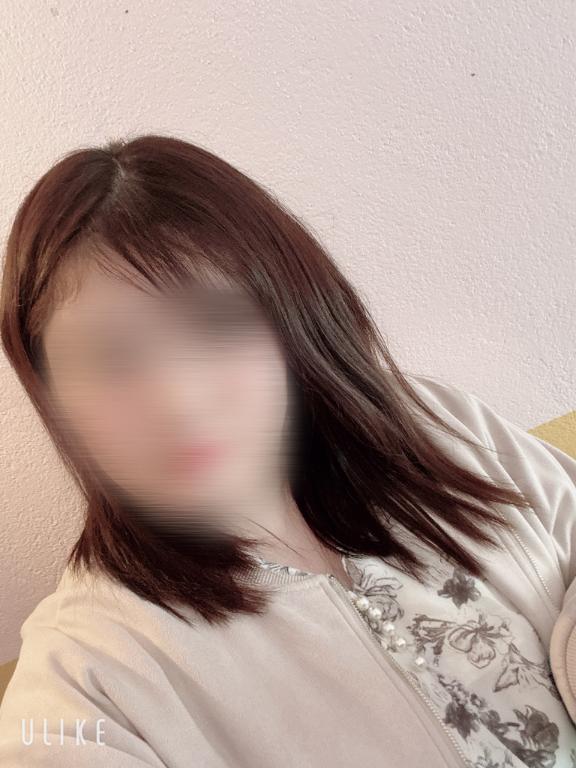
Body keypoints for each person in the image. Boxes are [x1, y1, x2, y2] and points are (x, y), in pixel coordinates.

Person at [0, 134, 575, 768]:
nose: (178, 402)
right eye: (112, 358)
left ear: (292, 319)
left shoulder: (437, 428)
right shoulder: (86, 675)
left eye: (216, 326)